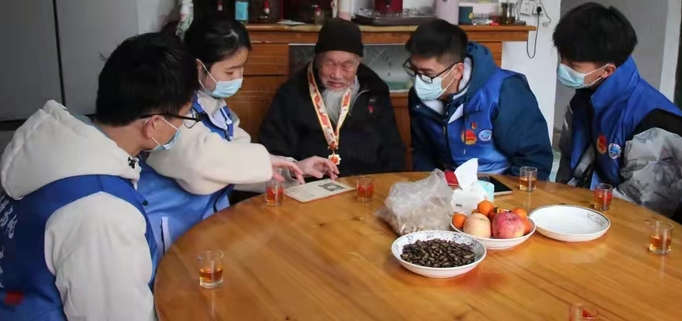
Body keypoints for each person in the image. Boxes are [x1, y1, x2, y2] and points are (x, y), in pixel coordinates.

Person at [0, 33, 197, 320]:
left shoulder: (52, 154)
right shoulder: (102, 214)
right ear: (154, 124)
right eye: (184, 119)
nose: (181, 130)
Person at [141, 18, 338, 256]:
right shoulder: (168, 109)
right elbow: (202, 167)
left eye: (241, 68)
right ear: (198, 67)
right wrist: (266, 163)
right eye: (230, 71)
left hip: (208, 229)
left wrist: (293, 168)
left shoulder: (217, 107)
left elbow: (240, 161)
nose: (238, 77)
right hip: (169, 231)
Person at [552, 3, 682, 217]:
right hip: (591, 209)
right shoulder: (582, 100)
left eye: (573, 65)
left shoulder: (656, 122)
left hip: (643, 225)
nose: (562, 67)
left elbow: (645, 209)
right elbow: (569, 165)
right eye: (561, 58)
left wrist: (584, 218)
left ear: (607, 70)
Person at [259, 18, 406, 176]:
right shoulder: (291, 94)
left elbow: (393, 150)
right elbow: (274, 153)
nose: (337, 75)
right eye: (329, 64)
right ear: (317, 60)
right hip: (312, 183)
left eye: (346, 65)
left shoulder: (375, 90)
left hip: (366, 182)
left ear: (358, 63)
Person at [406, 19, 552, 177]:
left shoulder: (504, 90)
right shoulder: (419, 98)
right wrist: (429, 184)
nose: (419, 80)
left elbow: (534, 158)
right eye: (414, 70)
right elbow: (423, 152)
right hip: (450, 183)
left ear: (457, 71)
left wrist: (502, 189)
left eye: (428, 74)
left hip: (501, 182)